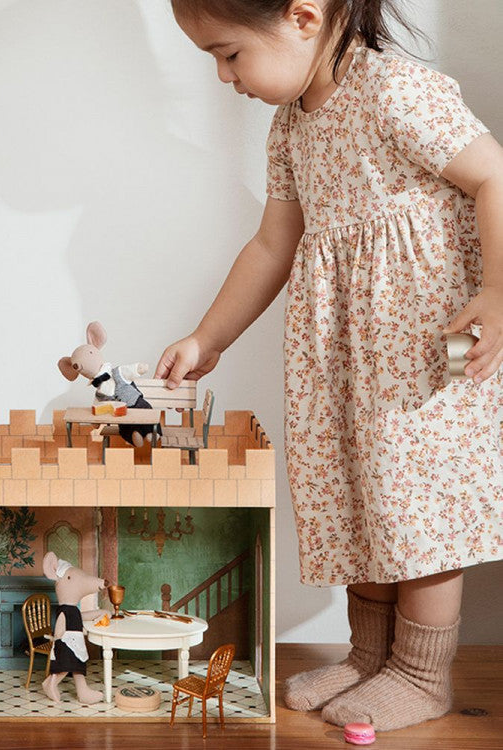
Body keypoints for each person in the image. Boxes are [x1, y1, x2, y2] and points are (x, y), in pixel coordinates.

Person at [157, 0, 503, 732]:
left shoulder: (394, 92)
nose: (224, 77)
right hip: (345, 354)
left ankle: (419, 672)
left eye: (229, 54)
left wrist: (498, 290)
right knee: (355, 492)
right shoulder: (291, 126)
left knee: (418, 504)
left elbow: (494, 176)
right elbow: (271, 246)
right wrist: (207, 337)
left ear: (304, 17)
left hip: (422, 348)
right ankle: (370, 655)